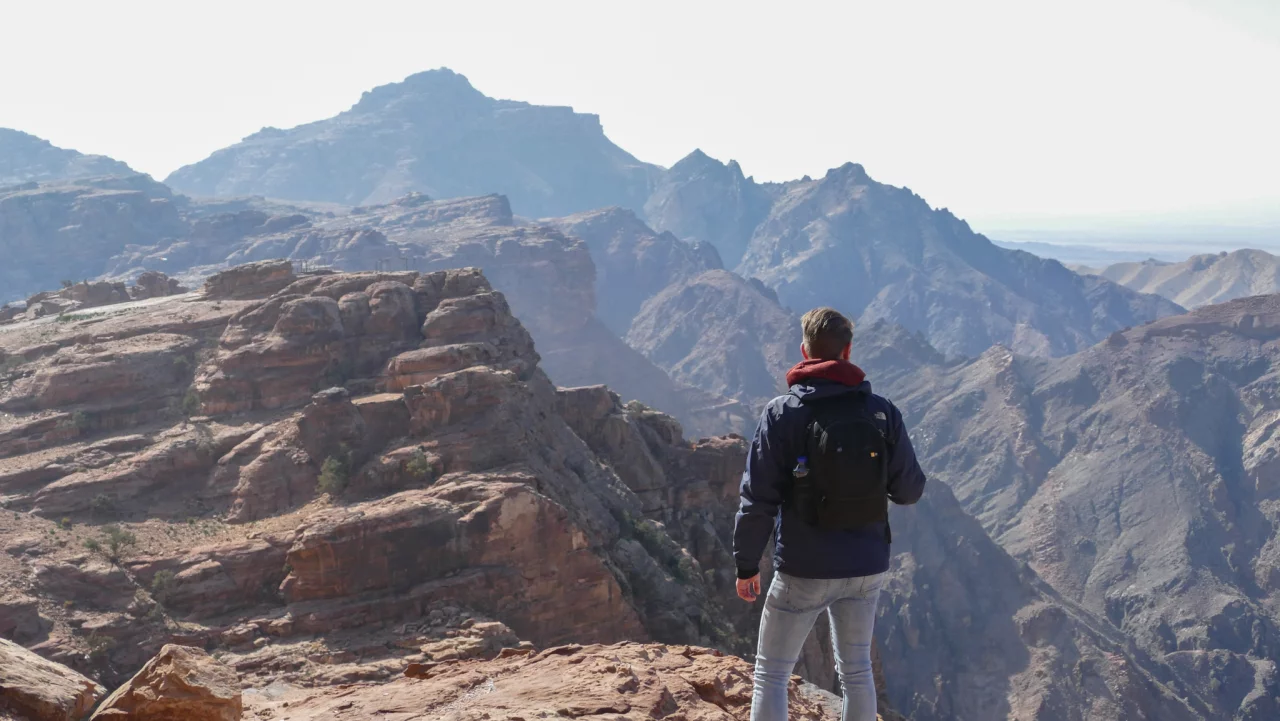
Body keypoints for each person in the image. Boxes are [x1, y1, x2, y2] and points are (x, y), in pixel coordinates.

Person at [733, 307, 926, 721]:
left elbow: (758, 498)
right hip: (866, 567)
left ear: (804, 350)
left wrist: (747, 564)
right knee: (857, 673)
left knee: (771, 674)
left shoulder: (782, 413)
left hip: (805, 566)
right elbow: (909, 490)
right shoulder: (881, 411)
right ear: (848, 351)